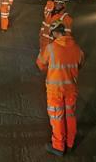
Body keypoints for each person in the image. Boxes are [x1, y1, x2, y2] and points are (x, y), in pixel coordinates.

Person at [36, 21, 84, 157]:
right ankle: (70, 143)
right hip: (71, 89)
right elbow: (80, 64)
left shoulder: (51, 48)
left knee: (57, 118)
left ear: (55, 33)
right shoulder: (77, 48)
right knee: (70, 116)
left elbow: (40, 64)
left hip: (55, 90)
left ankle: (58, 146)